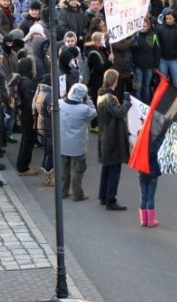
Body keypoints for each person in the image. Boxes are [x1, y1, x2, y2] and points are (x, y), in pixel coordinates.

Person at [96, 69, 132, 210]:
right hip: (113, 137)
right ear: (114, 81)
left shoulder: (101, 94)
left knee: (107, 168)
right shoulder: (109, 97)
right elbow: (119, 113)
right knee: (114, 170)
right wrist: (127, 103)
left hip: (105, 135)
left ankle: (103, 196)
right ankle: (111, 199)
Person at [59, 83, 97, 202]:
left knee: (63, 169)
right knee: (77, 170)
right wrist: (89, 100)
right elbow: (93, 113)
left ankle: (62, 192)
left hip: (62, 143)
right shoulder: (83, 109)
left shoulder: (60, 104)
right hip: (78, 145)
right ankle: (77, 194)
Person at [14, 58, 40, 177]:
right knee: (27, 141)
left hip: (24, 115)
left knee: (26, 140)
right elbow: (30, 103)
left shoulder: (21, 80)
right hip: (28, 116)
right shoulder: (27, 82)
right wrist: (35, 117)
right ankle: (23, 167)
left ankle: (22, 166)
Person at [33, 72, 55, 185]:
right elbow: (52, 114)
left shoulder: (40, 92)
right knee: (50, 153)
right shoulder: (49, 96)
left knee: (47, 151)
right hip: (49, 127)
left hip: (42, 125)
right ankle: (48, 177)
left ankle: (45, 173)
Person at [132, 16, 160, 102]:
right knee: (138, 87)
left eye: (144, 26)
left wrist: (156, 66)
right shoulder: (135, 36)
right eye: (140, 26)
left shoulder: (153, 36)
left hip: (149, 66)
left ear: (148, 26)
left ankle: (146, 104)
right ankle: (139, 106)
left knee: (146, 86)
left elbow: (157, 51)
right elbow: (131, 52)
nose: (142, 28)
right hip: (138, 65)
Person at [156, 9, 177, 91]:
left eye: (170, 18)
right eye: (166, 18)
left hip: (174, 60)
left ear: (174, 19)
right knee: (162, 83)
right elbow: (157, 46)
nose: (168, 20)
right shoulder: (160, 30)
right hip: (162, 60)